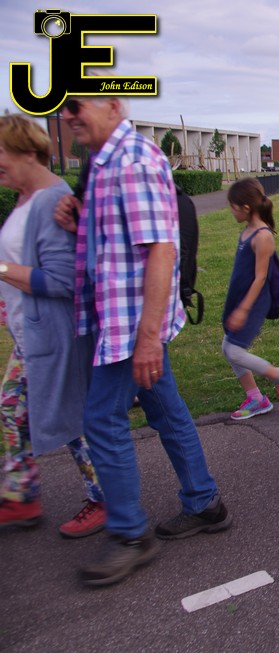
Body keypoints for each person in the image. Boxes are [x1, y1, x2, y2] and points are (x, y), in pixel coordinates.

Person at [55, 94, 231, 586]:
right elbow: (116, 244)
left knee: (101, 418)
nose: (67, 116)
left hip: (130, 325)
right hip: (122, 319)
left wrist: (148, 338)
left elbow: (161, 251)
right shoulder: (104, 161)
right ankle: (204, 502)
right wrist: (78, 219)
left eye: (76, 105)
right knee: (165, 408)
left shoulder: (133, 161)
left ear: (113, 105)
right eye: (62, 107)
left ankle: (130, 534)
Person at [0, 115, 105, 538]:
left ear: (28, 153)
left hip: (54, 336)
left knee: (70, 419)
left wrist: (2, 269)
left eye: (1, 152)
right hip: (27, 334)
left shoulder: (52, 201)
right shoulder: (24, 200)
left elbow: (63, 281)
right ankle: (20, 495)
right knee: (12, 408)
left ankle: (106, 497)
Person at [221, 177, 279, 420]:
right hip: (241, 298)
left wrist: (243, 309)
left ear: (246, 207)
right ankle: (256, 398)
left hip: (254, 302)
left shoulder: (262, 235)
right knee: (228, 347)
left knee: (234, 351)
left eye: (233, 207)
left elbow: (260, 278)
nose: (231, 211)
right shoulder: (248, 230)